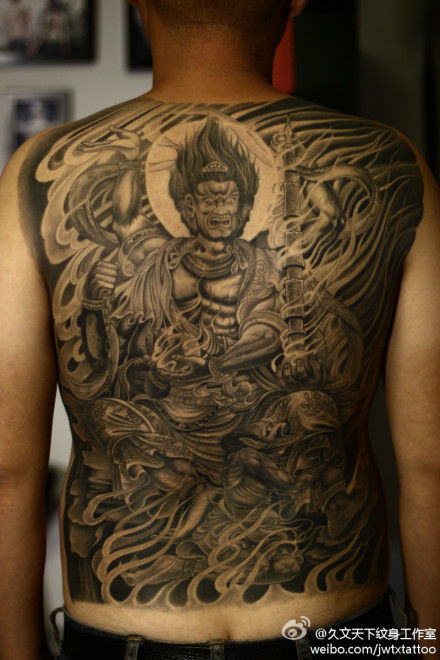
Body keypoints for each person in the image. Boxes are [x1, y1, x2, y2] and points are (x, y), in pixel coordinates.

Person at [0, 0, 439, 658]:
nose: (218, 206)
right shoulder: (394, 165)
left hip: (240, 448)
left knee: (301, 411)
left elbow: (9, 472)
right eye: (204, 196)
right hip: (335, 634)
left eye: (229, 196)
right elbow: (431, 465)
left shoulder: (40, 172)